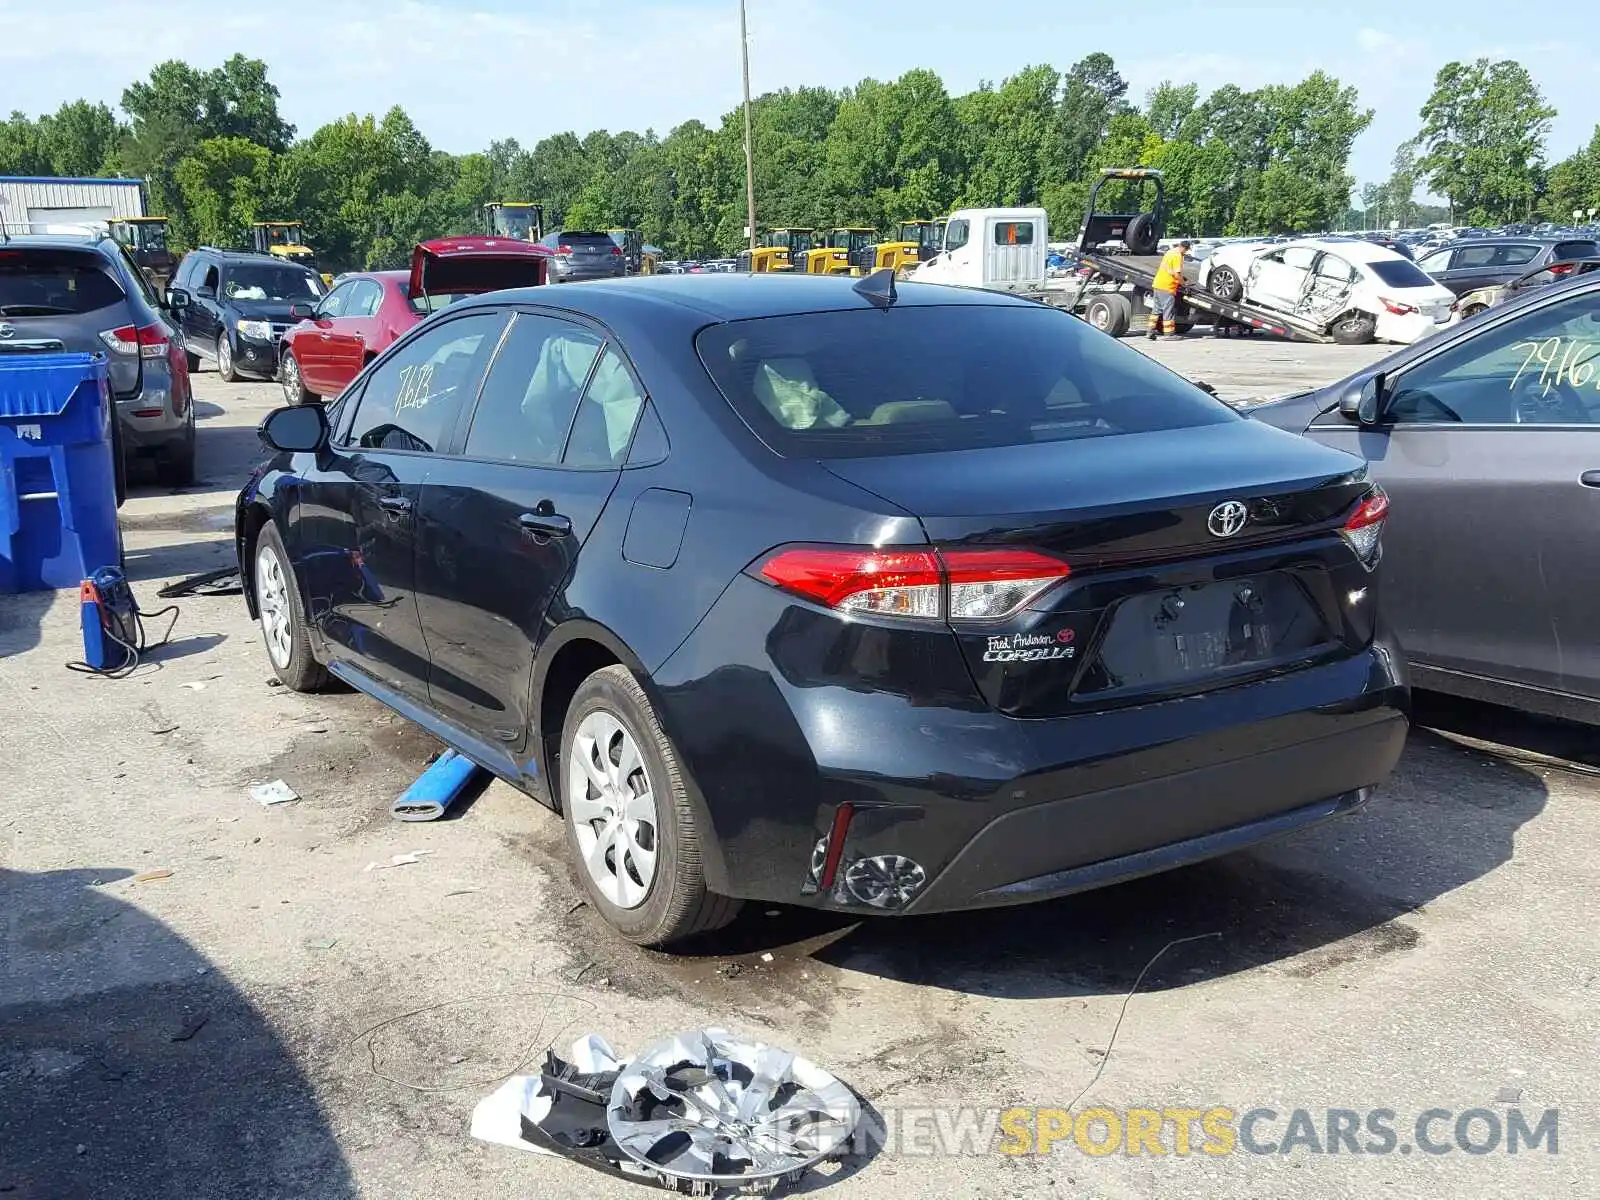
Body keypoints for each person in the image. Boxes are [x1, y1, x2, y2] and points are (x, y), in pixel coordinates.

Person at [1148, 240, 1191, 340]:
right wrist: (1184, 284)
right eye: (1186, 251)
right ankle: (1169, 334)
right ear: (1184, 248)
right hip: (1167, 287)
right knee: (1168, 311)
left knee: (1156, 310)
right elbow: (1176, 273)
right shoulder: (1178, 256)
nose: (1185, 253)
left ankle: (1149, 331)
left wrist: (1182, 278)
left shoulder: (1170, 252)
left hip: (1158, 283)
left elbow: (1169, 269)